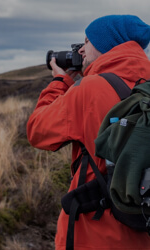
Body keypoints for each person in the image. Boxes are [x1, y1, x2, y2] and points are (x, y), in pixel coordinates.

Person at [26, 15, 150, 249]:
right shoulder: (147, 87)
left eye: (87, 41)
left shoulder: (90, 89)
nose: (81, 50)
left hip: (97, 233)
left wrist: (59, 84)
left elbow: (37, 131)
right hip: (144, 227)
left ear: (107, 44)